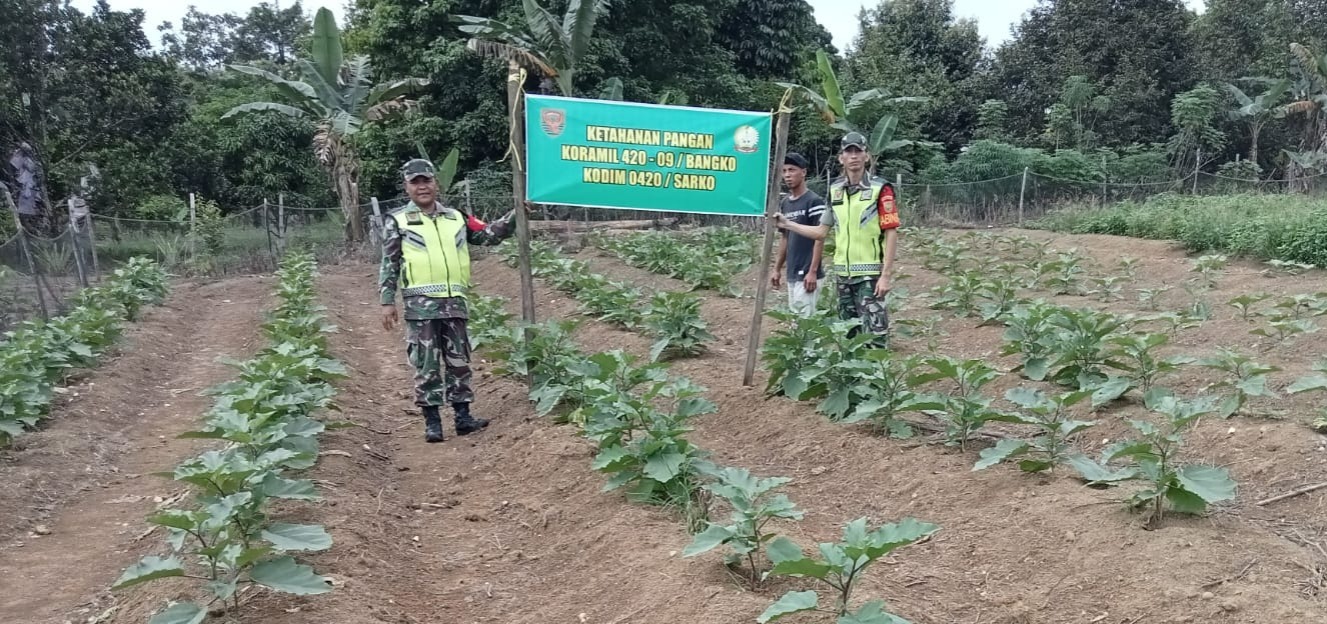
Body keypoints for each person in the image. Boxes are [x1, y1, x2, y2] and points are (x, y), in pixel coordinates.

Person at [380, 158, 519, 443]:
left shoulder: (456, 217)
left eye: (426, 181)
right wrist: (386, 300)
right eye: (415, 182)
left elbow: (487, 235)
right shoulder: (398, 220)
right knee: (426, 363)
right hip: (421, 306)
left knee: (459, 361)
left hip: (454, 302)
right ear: (407, 187)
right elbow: (389, 263)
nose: (422, 187)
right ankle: (432, 423)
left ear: (435, 183)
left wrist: (516, 216)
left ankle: (463, 417)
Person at [773, 132, 900, 344]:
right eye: (848, 152)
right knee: (848, 337)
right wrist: (787, 224)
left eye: (858, 151)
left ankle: (874, 376)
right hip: (843, 275)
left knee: (874, 336)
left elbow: (891, 231)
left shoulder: (880, 188)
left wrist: (886, 275)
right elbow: (821, 232)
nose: (853, 156)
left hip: (869, 276)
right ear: (841, 158)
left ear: (866, 156)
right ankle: (852, 378)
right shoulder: (835, 190)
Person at [771, 152, 826, 317]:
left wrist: (813, 271)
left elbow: (820, 237)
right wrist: (777, 269)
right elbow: (785, 237)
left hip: (807, 272)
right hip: (792, 271)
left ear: (803, 172)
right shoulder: (785, 203)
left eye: (792, 170)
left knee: (805, 323)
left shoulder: (813, 201)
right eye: (784, 171)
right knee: (796, 320)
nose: (787, 175)